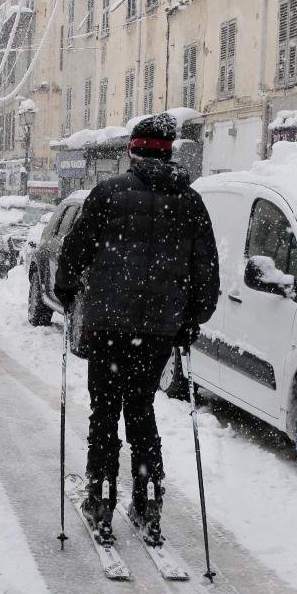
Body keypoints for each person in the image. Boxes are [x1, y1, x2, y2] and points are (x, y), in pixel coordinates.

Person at [54, 113, 219, 547]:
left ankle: (101, 501)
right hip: (160, 331)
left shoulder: (108, 194)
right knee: (142, 412)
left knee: (105, 412)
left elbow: (75, 250)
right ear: (169, 152)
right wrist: (192, 319)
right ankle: (149, 507)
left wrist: (67, 291)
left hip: (108, 325)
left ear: (133, 149)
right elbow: (206, 271)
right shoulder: (191, 202)